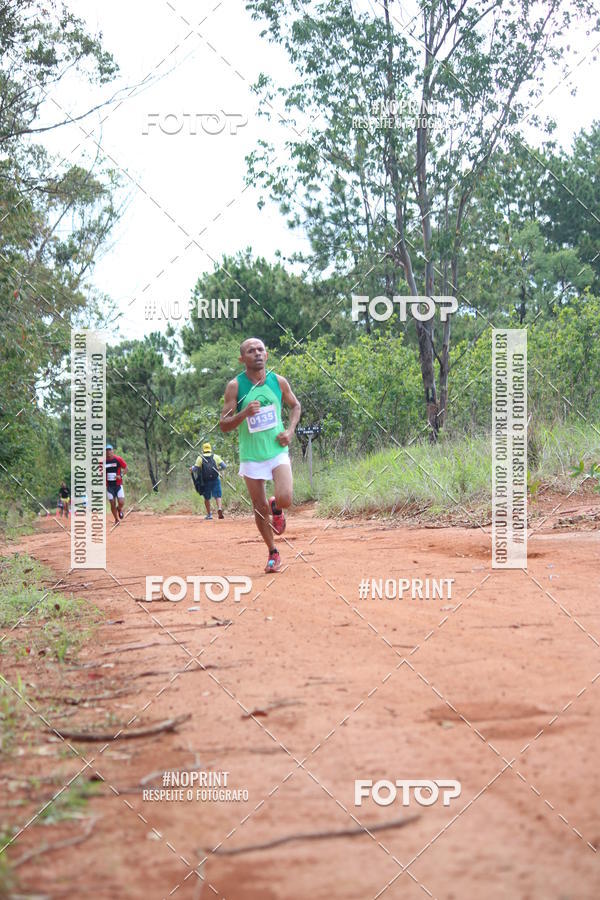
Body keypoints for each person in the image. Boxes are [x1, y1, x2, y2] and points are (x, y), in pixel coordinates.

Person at [219, 337, 301, 573]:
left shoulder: (278, 381)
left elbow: (295, 406)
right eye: (251, 350)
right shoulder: (236, 386)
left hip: (277, 449)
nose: (257, 353)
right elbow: (223, 425)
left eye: (260, 349)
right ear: (242, 358)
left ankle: (278, 508)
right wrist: (244, 413)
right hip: (252, 455)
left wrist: (290, 430)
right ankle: (273, 552)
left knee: (285, 497)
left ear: (266, 355)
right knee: (258, 506)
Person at [192, 442, 227, 520]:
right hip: (215, 479)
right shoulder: (216, 457)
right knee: (218, 495)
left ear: (203, 450)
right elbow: (224, 466)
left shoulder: (200, 458)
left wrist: (192, 468)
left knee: (207, 498)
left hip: (205, 481)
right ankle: (219, 508)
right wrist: (218, 470)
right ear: (210, 449)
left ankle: (209, 514)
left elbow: (195, 469)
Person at [104, 444, 127, 525]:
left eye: (110, 450)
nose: (108, 452)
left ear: (112, 450)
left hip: (118, 485)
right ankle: (116, 520)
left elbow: (126, 468)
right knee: (112, 502)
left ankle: (119, 509)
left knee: (121, 502)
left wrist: (120, 476)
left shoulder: (118, 459)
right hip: (109, 486)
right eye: (107, 450)